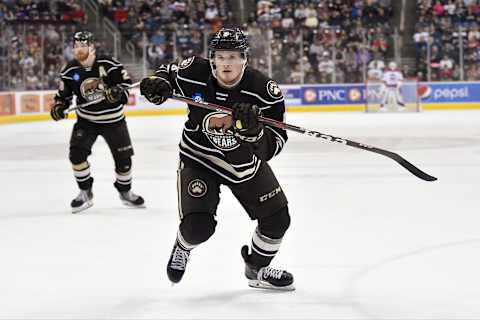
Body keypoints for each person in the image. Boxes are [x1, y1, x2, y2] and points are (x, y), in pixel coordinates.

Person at [140, 27, 294, 291]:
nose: (227, 63)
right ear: (212, 59)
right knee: (198, 227)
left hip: (244, 165)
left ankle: (256, 269)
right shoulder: (193, 72)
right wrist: (158, 82)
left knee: (278, 219)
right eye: (221, 57)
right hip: (199, 158)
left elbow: (276, 143)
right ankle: (182, 246)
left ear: (245, 59)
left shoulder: (264, 90)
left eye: (233, 57)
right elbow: (167, 73)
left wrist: (254, 133)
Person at [50, 31, 145, 213]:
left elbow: (126, 89)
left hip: (114, 121)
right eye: (76, 46)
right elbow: (63, 97)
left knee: (124, 162)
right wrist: (59, 107)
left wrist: (116, 93)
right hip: (87, 121)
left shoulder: (109, 64)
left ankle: (125, 192)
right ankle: (85, 192)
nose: (78, 49)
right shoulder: (70, 70)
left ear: (92, 47)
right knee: (76, 156)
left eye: (82, 45)